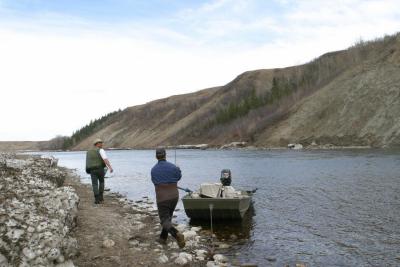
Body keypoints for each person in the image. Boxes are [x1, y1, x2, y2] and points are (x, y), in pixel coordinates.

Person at [151, 148, 185, 248]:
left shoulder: (153, 170)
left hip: (162, 197)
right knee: (168, 217)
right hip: (174, 196)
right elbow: (178, 177)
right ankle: (163, 238)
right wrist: (178, 170)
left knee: (164, 220)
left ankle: (176, 234)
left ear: (156, 156)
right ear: (165, 155)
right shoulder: (173, 167)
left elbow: (155, 182)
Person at [85, 138, 113, 204]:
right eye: (100, 143)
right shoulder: (101, 150)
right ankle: (101, 197)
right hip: (100, 169)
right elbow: (105, 159)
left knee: (94, 184)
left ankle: (96, 199)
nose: (102, 144)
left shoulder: (89, 151)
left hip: (92, 170)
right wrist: (110, 167)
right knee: (101, 182)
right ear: (97, 144)